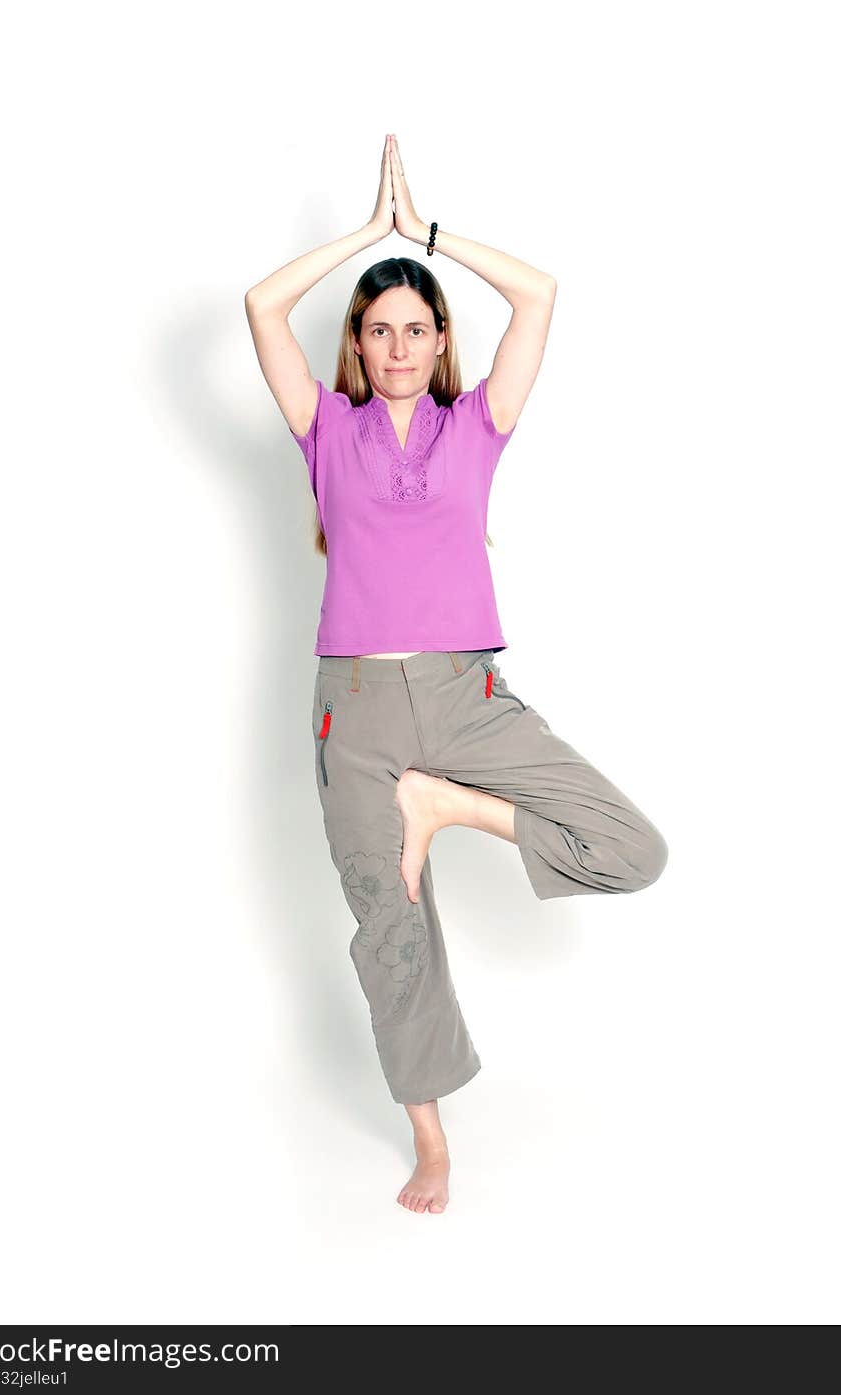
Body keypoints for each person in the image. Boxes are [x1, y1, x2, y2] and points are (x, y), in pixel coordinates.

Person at [244, 134, 668, 1215]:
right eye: (377, 328)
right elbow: (258, 306)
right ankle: (431, 1145)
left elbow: (539, 295)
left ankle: (442, 807)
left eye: (416, 327)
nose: (396, 344)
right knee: (389, 931)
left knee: (629, 847)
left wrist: (422, 234)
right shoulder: (323, 432)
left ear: (439, 343)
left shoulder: (477, 424)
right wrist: (360, 239)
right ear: (359, 343)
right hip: (354, 715)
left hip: (463, 700)